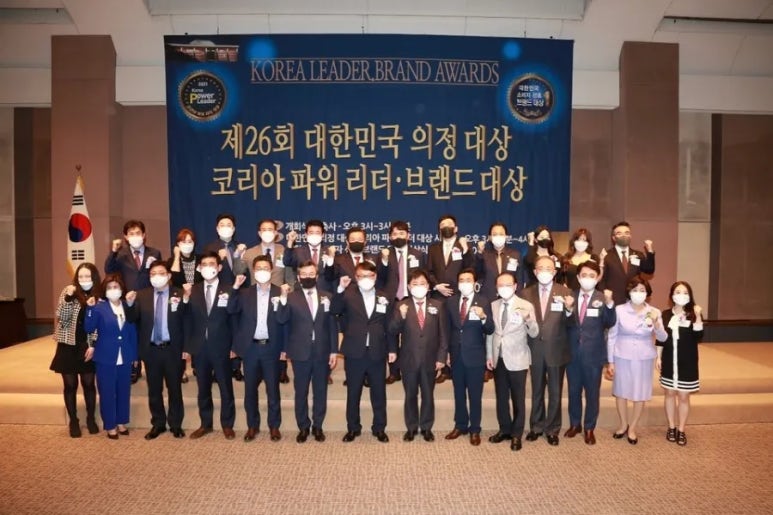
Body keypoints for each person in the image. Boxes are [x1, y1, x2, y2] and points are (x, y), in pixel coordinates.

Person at [275, 261, 339, 443]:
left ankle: (318, 426)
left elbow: (332, 326)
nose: (308, 277)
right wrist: (283, 299)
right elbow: (281, 320)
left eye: (311, 274)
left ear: (317, 276)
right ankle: (303, 426)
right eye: (304, 274)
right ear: (298, 277)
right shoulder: (291, 297)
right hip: (300, 352)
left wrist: (334, 351)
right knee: (301, 391)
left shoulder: (327, 297)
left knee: (320, 391)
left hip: (322, 352)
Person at [125, 261, 187, 440]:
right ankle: (158, 424)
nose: (157, 277)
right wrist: (129, 304)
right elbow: (132, 319)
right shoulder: (141, 295)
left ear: (168, 275)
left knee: (174, 389)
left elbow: (187, 322)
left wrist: (187, 348)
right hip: (151, 350)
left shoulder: (179, 294)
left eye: (161, 273)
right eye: (153, 274)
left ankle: (176, 424)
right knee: (154, 390)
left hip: (173, 349)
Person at [331, 261, 391, 443]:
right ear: (356, 278)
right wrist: (340, 289)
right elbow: (334, 310)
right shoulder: (347, 294)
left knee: (379, 393)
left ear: (375, 277)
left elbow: (389, 325)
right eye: (362, 276)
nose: (366, 279)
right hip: (354, 352)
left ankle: (379, 428)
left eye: (370, 276)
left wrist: (392, 349)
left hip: (377, 351)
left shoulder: (384, 296)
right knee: (353, 392)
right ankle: (353, 428)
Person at [227, 255, 285, 442]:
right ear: (253, 270)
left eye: (265, 268)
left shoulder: (280, 292)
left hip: (272, 348)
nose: (262, 271)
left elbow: (286, 323)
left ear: (271, 270)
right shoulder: (245, 293)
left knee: (273, 390)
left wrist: (285, 349)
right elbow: (231, 310)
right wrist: (235, 288)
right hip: (250, 349)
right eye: (258, 268)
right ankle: (252, 426)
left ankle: (274, 426)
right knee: (250, 390)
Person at [520, 255, 575, 446]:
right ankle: (536, 426)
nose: (544, 272)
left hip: (556, 349)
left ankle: (552, 429)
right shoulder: (525, 293)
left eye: (548, 268)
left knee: (555, 391)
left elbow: (572, 323)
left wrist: (569, 309)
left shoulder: (566, 292)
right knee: (536, 390)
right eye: (540, 268)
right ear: (535, 272)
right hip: (534, 348)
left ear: (555, 271)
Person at [388, 269, 448, 442]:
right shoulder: (401, 305)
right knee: (410, 395)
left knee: (428, 395)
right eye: (415, 284)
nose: (419, 287)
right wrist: (401, 316)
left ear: (428, 286)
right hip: (409, 359)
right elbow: (392, 330)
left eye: (422, 283)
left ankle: (427, 427)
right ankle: (412, 427)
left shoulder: (438, 305)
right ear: (409, 286)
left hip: (430, 359)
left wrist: (441, 357)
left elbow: (443, 334)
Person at [607, 276, 668, 445]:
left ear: (647, 293)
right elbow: (612, 336)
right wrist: (610, 361)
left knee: (640, 392)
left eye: (642, 290)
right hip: (622, 354)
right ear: (629, 292)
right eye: (635, 290)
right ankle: (623, 424)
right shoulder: (619, 310)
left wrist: (657, 323)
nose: (638, 293)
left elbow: (663, 337)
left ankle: (632, 428)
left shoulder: (654, 311)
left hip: (644, 356)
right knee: (621, 391)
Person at [185, 252, 237, 440]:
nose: (208, 267)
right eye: (204, 264)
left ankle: (227, 425)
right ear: (199, 268)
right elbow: (187, 320)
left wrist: (234, 346)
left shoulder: (229, 289)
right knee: (203, 388)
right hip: (200, 348)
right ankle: (205, 424)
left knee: (225, 387)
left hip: (222, 346)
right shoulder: (193, 290)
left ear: (219, 267)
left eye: (212, 263)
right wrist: (188, 347)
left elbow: (235, 320)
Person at [486, 272, 539, 451]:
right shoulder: (493, 305)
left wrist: (528, 320)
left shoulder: (526, 305)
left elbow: (534, 333)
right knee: (501, 397)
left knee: (518, 398)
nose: (504, 288)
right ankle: (504, 430)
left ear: (515, 286)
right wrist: (489, 355)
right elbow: (491, 334)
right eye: (500, 285)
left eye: (508, 285)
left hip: (517, 358)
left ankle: (517, 434)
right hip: (498, 357)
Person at [104, 219, 162, 384]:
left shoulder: (154, 253)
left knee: (147, 333)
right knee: (130, 334)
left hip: (148, 299)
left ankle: (149, 365)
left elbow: (159, 273)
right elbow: (108, 270)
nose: (135, 236)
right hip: (127, 300)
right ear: (125, 237)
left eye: (138, 233)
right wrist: (113, 252)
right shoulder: (120, 254)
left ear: (144, 235)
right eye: (131, 234)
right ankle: (134, 367)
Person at [565, 261, 616, 445]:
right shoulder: (569, 296)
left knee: (592, 393)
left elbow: (610, 322)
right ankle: (575, 424)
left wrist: (609, 304)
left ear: (597, 278)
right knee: (573, 391)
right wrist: (568, 309)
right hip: (572, 353)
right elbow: (564, 324)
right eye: (584, 275)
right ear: (578, 277)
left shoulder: (603, 298)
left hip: (593, 354)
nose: (588, 278)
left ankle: (589, 428)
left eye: (592, 276)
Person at [84, 273, 138, 439]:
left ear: (121, 289)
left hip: (125, 355)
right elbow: (88, 328)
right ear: (104, 290)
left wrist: (135, 355)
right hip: (105, 356)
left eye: (116, 287)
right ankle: (110, 425)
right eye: (109, 287)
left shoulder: (127, 306)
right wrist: (90, 309)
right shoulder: (99, 307)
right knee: (107, 392)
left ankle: (122, 421)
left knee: (123, 391)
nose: (113, 290)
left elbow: (132, 332)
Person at [444, 268, 494, 446]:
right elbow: (447, 329)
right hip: (456, 355)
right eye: (462, 280)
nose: (465, 283)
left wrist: (483, 316)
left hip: (475, 356)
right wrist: (447, 353)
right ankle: (460, 425)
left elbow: (490, 329)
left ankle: (475, 429)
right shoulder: (451, 302)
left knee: (475, 395)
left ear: (474, 283)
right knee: (458, 393)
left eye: (468, 280)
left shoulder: (483, 301)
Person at [51, 263, 102, 437]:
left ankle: (90, 418)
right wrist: (68, 298)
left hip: (87, 346)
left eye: (87, 276)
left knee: (89, 384)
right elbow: (61, 317)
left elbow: (100, 324)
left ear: (94, 277)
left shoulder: (99, 295)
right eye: (81, 276)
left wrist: (93, 345)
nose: (84, 280)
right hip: (68, 345)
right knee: (70, 385)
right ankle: (73, 420)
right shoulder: (69, 291)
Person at [241, 218, 294, 384]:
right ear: (259, 233)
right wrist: (237, 256)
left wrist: (288, 295)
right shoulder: (250, 253)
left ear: (276, 232)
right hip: (256, 296)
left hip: (278, 295)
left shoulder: (283, 250)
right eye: (264, 229)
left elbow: (289, 276)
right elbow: (239, 272)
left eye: (271, 229)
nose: (267, 232)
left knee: (278, 331)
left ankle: (281, 370)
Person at [376, 220, 427, 385]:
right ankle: (394, 371)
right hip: (391, 300)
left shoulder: (418, 254)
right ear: (390, 237)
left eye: (402, 233)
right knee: (390, 335)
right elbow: (379, 278)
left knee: (411, 336)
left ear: (408, 235)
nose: (398, 236)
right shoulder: (384, 254)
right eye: (395, 234)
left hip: (411, 299)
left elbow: (423, 277)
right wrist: (384, 261)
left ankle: (411, 369)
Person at [426, 214, 473, 383]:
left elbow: (470, 268)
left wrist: (466, 250)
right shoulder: (433, 248)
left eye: (449, 224)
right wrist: (436, 285)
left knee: (456, 331)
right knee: (440, 332)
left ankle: (456, 367)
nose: (446, 227)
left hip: (457, 296)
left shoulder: (463, 246)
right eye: (443, 225)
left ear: (456, 228)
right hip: (438, 295)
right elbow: (429, 271)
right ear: (439, 229)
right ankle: (443, 369)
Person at [657, 281, 704, 446]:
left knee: (684, 396)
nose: (681, 295)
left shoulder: (693, 314)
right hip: (669, 359)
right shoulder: (665, 314)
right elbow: (661, 338)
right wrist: (658, 357)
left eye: (685, 292)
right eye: (678, 292)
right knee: (669, 394)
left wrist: (698, 316)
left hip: (687, 360)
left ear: (690, 295)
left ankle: (681, 429)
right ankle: (671, 427)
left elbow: (699, 337)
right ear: (672, 295)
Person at [203, 213, 248, 381]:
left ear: (234, 228)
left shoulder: (240, 246)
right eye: (222, 225)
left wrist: (239, 257)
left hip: (236, 292)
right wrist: (219, 259)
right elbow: (207, 272)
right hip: (218, 293)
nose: (226, 228)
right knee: (220, 329)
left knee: (236, 328)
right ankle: (218, 367)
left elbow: (243, 273)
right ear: (217, 228)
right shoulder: (210, 248)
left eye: (229, 225)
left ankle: (236, 366)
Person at [169, 227, 200, 384]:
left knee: (197, 333)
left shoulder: (200, 259)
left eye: (189, 241)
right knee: (181, 335)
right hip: (180, 301)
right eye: (183, 241)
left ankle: (197, 366)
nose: (187, 244)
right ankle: (181, 370)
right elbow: (174, 278)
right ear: (177, 244)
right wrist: (176, 256)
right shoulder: (173, 261)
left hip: (197, 301)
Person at [599, 221, 655, 305]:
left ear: (630, 236)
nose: (624, 235)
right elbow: (601, 280)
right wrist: (605, 296)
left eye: (626, 233)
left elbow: (649, 270)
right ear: (613, 237)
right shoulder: (606, 256)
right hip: (613, 301)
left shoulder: (638, 255)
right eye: (619, 233)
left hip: (634, 300)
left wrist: (650, 251)